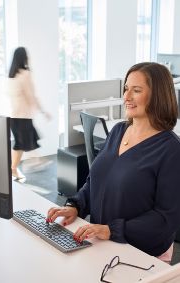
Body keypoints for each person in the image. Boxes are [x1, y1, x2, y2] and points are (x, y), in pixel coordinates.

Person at [47, 62, 180, 264]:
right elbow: (96, 182)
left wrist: (112, 230)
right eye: (126, 89)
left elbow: (165, 219)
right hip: (101, 243)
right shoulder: (118, 131)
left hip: (141, 255)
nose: (126, 96)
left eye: (136, 90)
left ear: (158, 96)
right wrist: (76, 206)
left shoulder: (171, 150)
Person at [7, 47, 50, 179]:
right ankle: (36, 161)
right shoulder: (25, 74)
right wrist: (42, 111)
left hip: (13, 116)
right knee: (26, 142)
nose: (29, 58)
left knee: (20, 144)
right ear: (23, 58)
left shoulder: (11, 76)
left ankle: (13, 169)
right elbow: (32, 96)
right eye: (27, 55)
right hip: (23, 116)